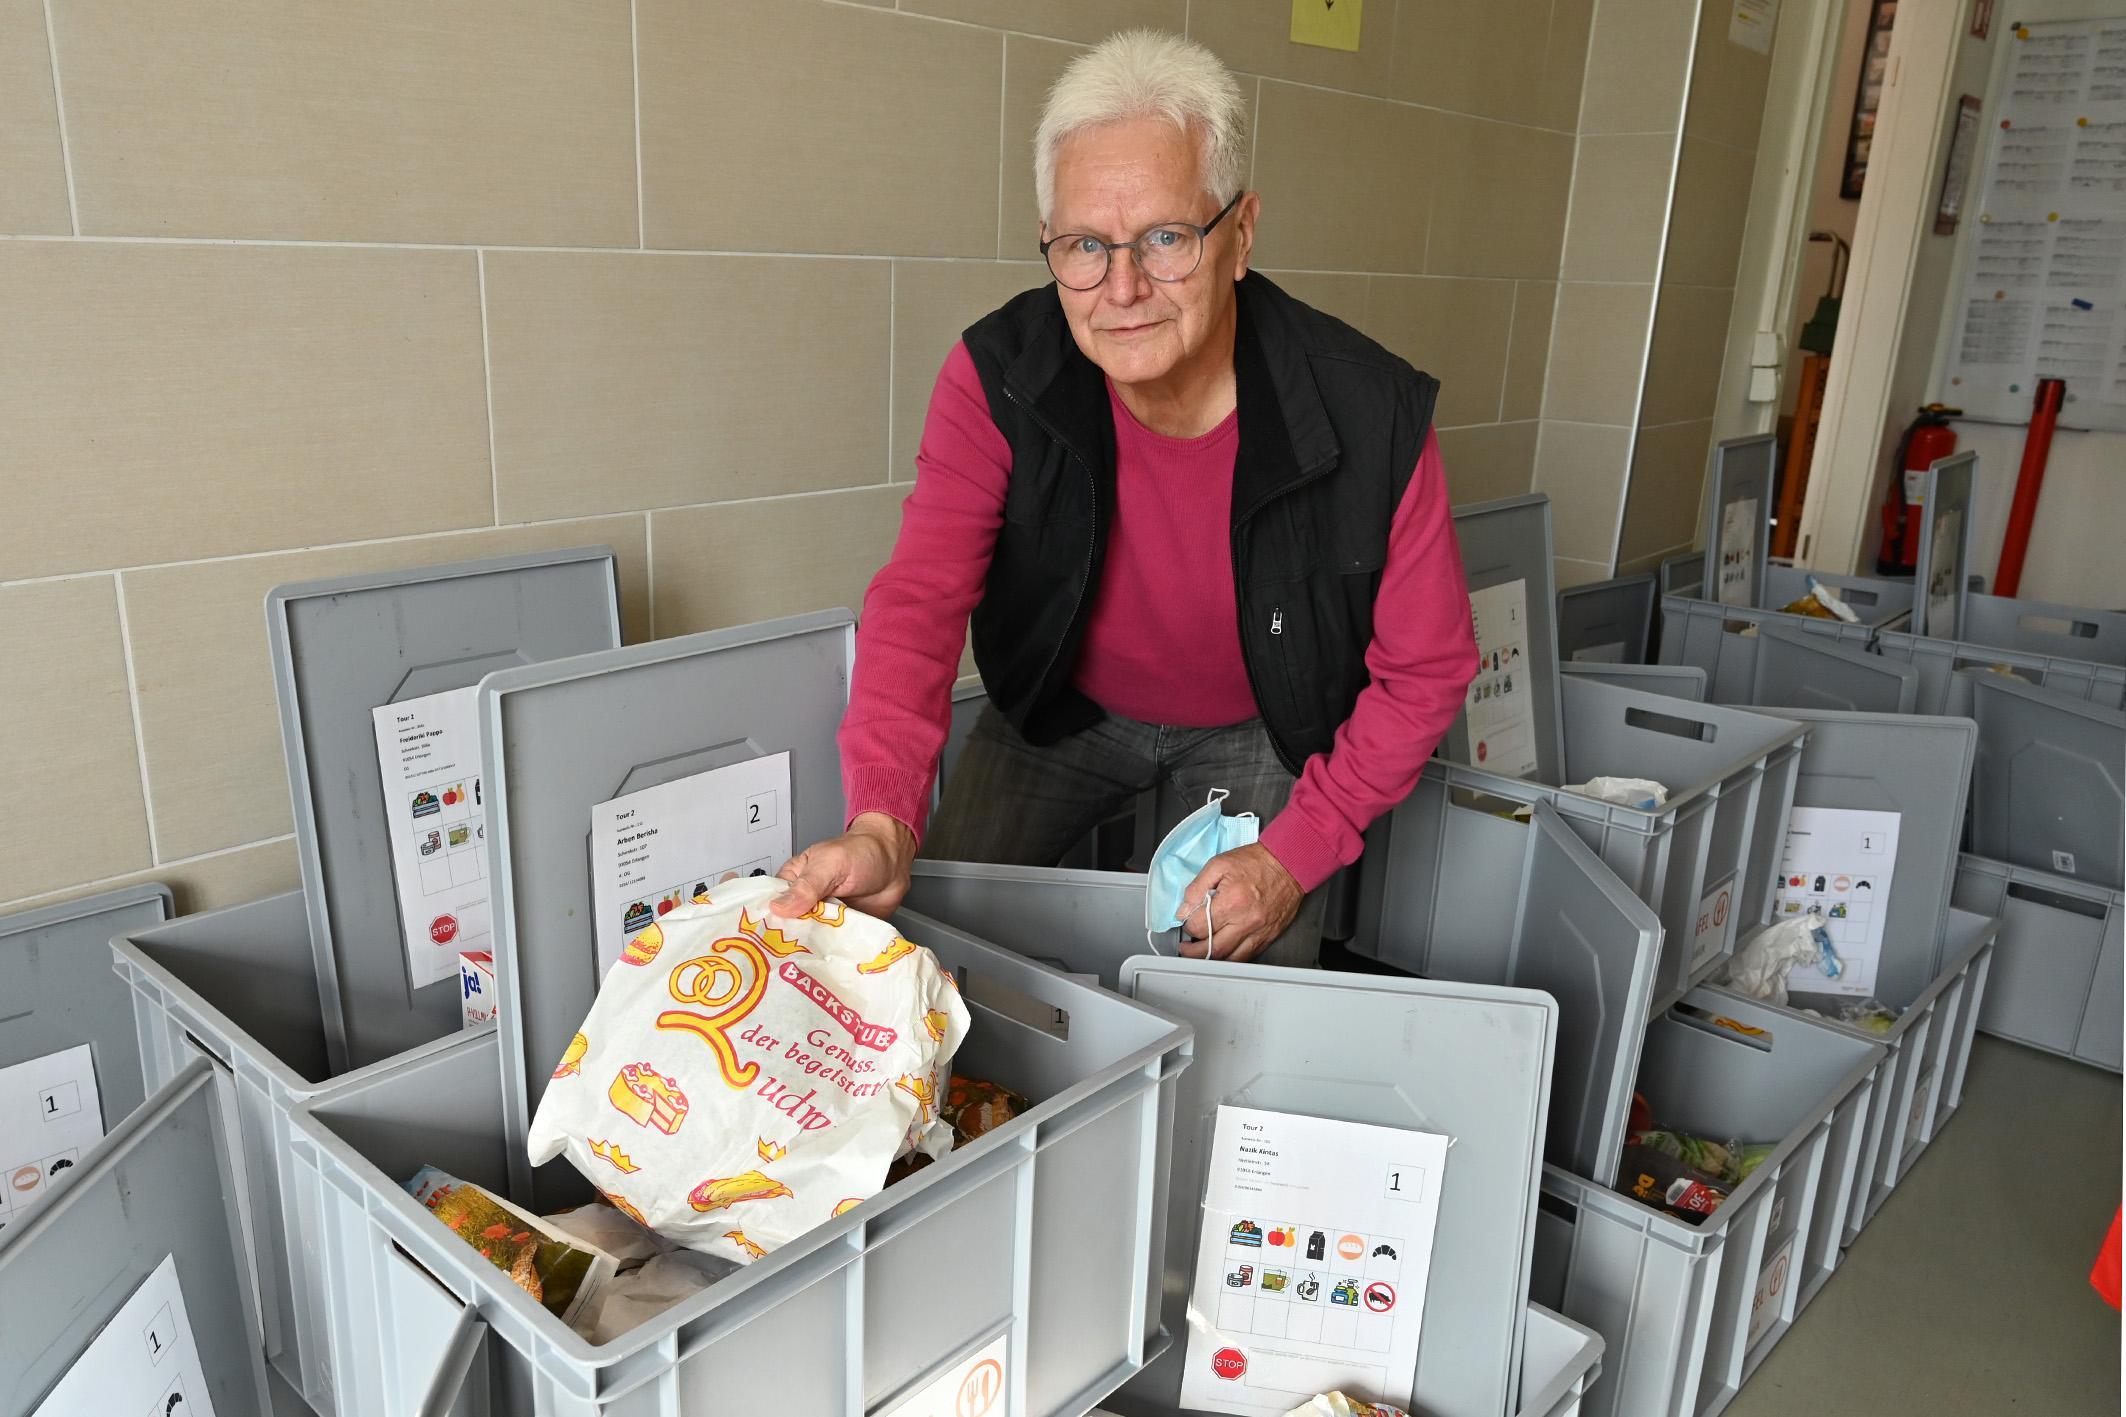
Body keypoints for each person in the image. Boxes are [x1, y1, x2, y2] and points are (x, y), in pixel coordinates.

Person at [771, 30, 1477, 964]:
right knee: (932, 947)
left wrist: (1296, 852)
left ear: (1240, 235)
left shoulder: (1371, 409)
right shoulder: (998, 377)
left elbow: (1427, 669)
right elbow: (918, 601)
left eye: (1166, 238)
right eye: (1085, 246)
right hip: (1065, 705)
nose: (1124, 287)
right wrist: (881, 818)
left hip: (1265, 720)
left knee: (1241, 985)